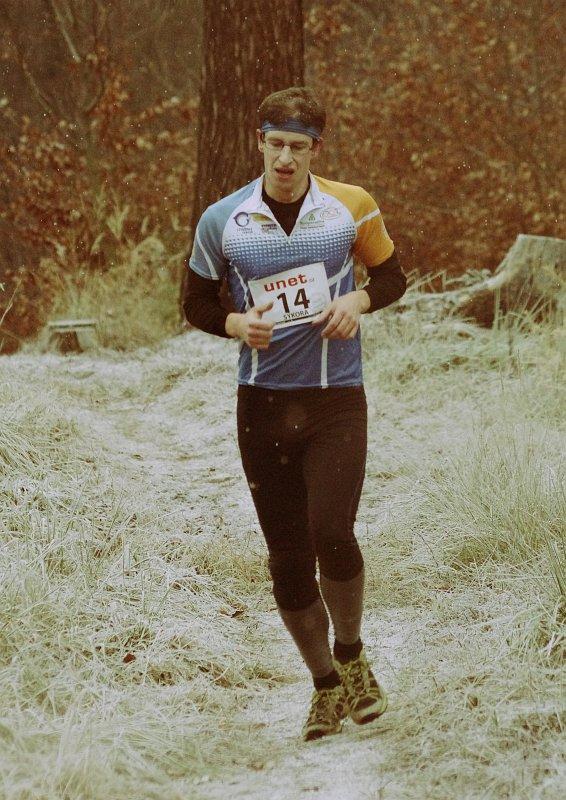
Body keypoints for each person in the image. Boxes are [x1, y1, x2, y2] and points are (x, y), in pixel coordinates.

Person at [184, 86, 406, 741]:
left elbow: (392, 278)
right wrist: (234, 323)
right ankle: (325, 687)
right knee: (285, 558)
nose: (285, 159)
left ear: (316, 150)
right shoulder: (223, 219)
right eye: (275, 144)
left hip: (336, 399)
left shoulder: (351, 207)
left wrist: (357, 303)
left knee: (332, 531)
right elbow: (195, 301)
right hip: (262, 404)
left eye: (298, 147)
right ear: (259, 142)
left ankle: (352, 653)